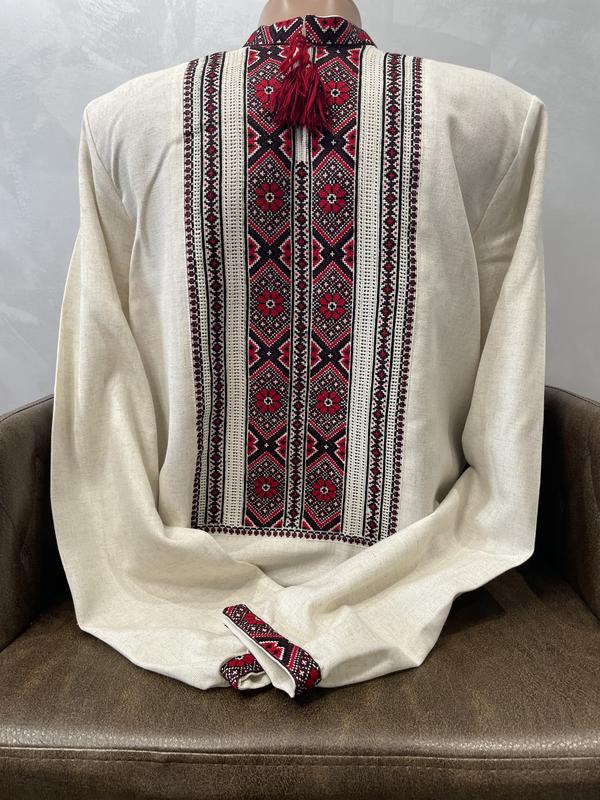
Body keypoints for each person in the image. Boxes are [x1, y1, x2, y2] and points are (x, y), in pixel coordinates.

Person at [50, 0, 548, 698]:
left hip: (182, 572)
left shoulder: (125, 120)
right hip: (410, 567)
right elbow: (508, 390)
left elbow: (101, 380)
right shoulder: (490, 116)